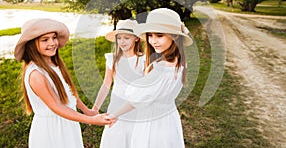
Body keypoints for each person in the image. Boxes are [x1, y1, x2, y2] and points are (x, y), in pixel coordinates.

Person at [14, 18, 112, 148]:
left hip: (67, 123)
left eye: (54, 37)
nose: (52, 43)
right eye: (45, 40)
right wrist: (91, 120)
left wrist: (86, 110)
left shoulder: (53, 63)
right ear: (32, 44)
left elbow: (68, 92)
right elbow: (57, 107)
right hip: (52, 130)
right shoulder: (36, 74)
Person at [107, 8, 193, 148]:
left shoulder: (161, 68)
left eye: (159, 35)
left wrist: (114, 114)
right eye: (150, 35)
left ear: (175, 36)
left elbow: (136, 99)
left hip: (153, 123)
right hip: (169, 119)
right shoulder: (179, 61)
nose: (153, 41)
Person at [92, 19, 145, 148]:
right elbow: (106, 84)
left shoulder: (143, 60)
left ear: (136, 38)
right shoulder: (113, 59)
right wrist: (95, 107)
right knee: (116, 136)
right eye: (119, 38)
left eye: (126, 38)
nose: (122, 42)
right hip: (117, 103)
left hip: (136, 105)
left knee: (135, 137)